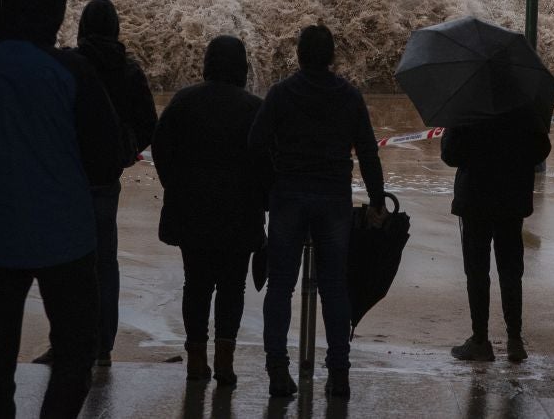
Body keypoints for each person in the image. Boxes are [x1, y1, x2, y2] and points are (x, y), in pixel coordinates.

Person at [0, 0, 124, 419]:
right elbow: (107, 157)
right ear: (57, 11)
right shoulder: (73, 72)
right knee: (75, 357)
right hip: (65, 241)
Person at [249, 24, 386, 401]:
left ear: (298, 55)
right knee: (334, 287)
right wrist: (377, 201)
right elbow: (369, 151)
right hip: (333, 200)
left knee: (280, 285)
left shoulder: (280, 94)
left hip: (289, 196)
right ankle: (338, 373)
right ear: (332, 58)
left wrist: (270, 185)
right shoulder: (349, 96)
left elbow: (256, 143)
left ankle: (277, 368)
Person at [34, 0, 157, 368]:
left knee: (65, 263)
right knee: (105, 263)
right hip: (106, 179)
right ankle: (102, 347)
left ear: (83, 27)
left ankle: (65, 344)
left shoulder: (70, 65)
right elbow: (149, 126)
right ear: (116, 29)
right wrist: (126, 148)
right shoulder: (130, 71)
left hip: (67, 177)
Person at [152, 35, 266, 387]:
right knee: (233, 286)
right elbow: (266, 162)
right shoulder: (254, 108)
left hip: (193, 212)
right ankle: (225, 361)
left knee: (196, 284)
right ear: (242, 68)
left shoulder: (185, 101)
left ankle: (196, 360)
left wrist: (174, 185)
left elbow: (160, 147)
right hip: (239, 214)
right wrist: (262, 201)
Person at [440, 108, 551, 363]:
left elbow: (450, 154)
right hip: (512, 200)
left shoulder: (468, 105)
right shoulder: (522, 106)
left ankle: (480, 341)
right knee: (511, 270)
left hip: (475, 200)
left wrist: (454, 131)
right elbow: (541, 149)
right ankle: (514, 340)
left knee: (477, 271)